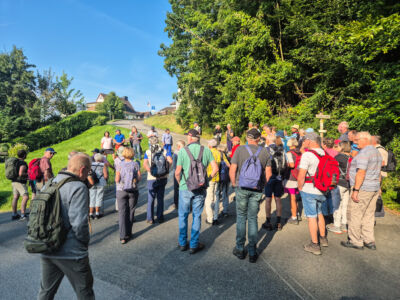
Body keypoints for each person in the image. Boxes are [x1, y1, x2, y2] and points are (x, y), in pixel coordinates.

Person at [38, 153, 94, 300]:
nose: (87, 175)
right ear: (82, 170)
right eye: (88, 172)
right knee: (85, 292)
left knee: (46, 292)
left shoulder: (50, 183)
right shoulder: (78, 187)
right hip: (72, 252)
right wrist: (84, 242)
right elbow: (79, 223)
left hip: (47, 247)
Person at [230, 128, 272, 263]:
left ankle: (240, 249)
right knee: (253, 218)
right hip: (257, 189)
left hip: (241, 187)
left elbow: (233, 169)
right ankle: (253, 251)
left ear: (247, 138)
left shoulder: (239, 149)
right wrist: (262, 185)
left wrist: (234, 184)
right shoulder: (265, 152)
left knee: (241, 217)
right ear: (259, 139)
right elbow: (269, 173)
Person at [175, 129, 217, 254]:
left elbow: (177, 172)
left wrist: (180, 183)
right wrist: (206, 180)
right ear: (198, 138)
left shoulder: (182, 151)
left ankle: (182, 243)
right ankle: (194, 245)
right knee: (197, 216)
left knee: (183, 215)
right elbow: (215, 168)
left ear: (189, 137)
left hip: (185, 188)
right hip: (200, 187)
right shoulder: (206, 150)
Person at [342, 132, 382, 250]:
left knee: (355, 214)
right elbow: (378, 171)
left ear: (365, 139)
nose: (355, 141)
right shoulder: (376, 152)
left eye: (357, 139)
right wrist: (378, 187)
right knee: (368, 215)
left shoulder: (364, 153)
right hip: (373, 187)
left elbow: (361, 172)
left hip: (363, 188)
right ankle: (369, 240)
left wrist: (356, 190)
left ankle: (355, 241)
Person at [297, 132, 328, 255]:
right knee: (320, 213)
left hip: (309, 189)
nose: (304, 142)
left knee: (311, 216)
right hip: (322, 189)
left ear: (310, 141)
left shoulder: (307, 155)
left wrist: (300, 187)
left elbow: (301, 175)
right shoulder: (324, 152)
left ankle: (315, 245)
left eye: (305, 140)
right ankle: (323, 238)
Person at [115, 147, 141, 244]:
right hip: (133, 190)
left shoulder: (120, 164)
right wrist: (134, 181)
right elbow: (139, 177)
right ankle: (129, 233)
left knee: (122, 213)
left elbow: (117, 179)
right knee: (131, 211)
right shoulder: (135, 164)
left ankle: (122, 236)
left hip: (121, 190)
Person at [144, 137, 173, 224]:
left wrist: (151, 171)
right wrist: (166, 170)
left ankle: (150, 218)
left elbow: (145, 164)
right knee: (160, 198)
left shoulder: (148, 152)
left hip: (152, 179)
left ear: (150, 143)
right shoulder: (165, 151)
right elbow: (170, 161)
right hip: (163, 178)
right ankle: (160, 217)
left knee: (151, 198)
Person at [326, 141, 351, 234]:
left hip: (339, 183)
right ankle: (344, 224)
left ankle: (337, 225)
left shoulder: (338, 157)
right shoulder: (351, 158)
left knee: (337, 205)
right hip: (348, 183)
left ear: (342, 147)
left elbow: (332, 169)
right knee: (345, 205)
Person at [262, 134, 285, 231]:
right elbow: (285, 164)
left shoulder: (266, 150)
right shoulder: (281, 149)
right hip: (279, 176)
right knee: (278, 199)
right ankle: (278, 222)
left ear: (267, 140)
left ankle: (268, 221)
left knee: (268, 199)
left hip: (269, 176)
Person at [205, 139, 223, 225]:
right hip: (217, 177)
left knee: (209, 198)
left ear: (210, 145)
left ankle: (210, 218)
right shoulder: (219, 153)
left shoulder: (208, 152)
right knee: (216, 198)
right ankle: (216, 217)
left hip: (210, 177)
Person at [285, 139, 301, 225]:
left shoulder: (289, 153)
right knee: (295, 197)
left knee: (292, 198)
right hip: (299, 176)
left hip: (291, 177)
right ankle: (297, 213)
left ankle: (294, 217)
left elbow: (291, 165)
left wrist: (285, 164)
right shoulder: (300, 152)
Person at [89, 153, 108, 219]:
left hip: (92, 182)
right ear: (101, 158)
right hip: (101, 182)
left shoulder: (91, 164)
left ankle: (91, 213)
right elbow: (105, 176)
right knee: (99, 197)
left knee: (92, 197)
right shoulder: (103, 165)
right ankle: (97, 213)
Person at [10, 150, 29, 220]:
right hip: (20, 182)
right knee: (25, 196)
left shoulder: (15, 162)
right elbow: (21, 173)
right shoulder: (22, 163)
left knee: (15, 197)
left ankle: (14, 214)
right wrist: (28, 174)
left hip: (14, 181)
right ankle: (23, 214)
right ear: (24, 155)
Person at [217, 144, 231, 218]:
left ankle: (216, 211)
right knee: (225, 194)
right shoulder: (228, 157)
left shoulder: (217, 156)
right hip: (226, 178)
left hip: (219, 178)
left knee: (217, 195)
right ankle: (225, 210)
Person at [172, 140, 186, 209]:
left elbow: (174, 165)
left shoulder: (176, 153)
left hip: (177, 172)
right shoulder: (186, 152)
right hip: (184, 172)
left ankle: (176, 203)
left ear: (179, 146)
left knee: (176, 188)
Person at [113, 146, 125, 211]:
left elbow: (115, 168)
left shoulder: (116, 160)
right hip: (126, 176)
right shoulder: (127, 158)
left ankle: (118, 207)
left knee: (118, 191)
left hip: (118, 175)